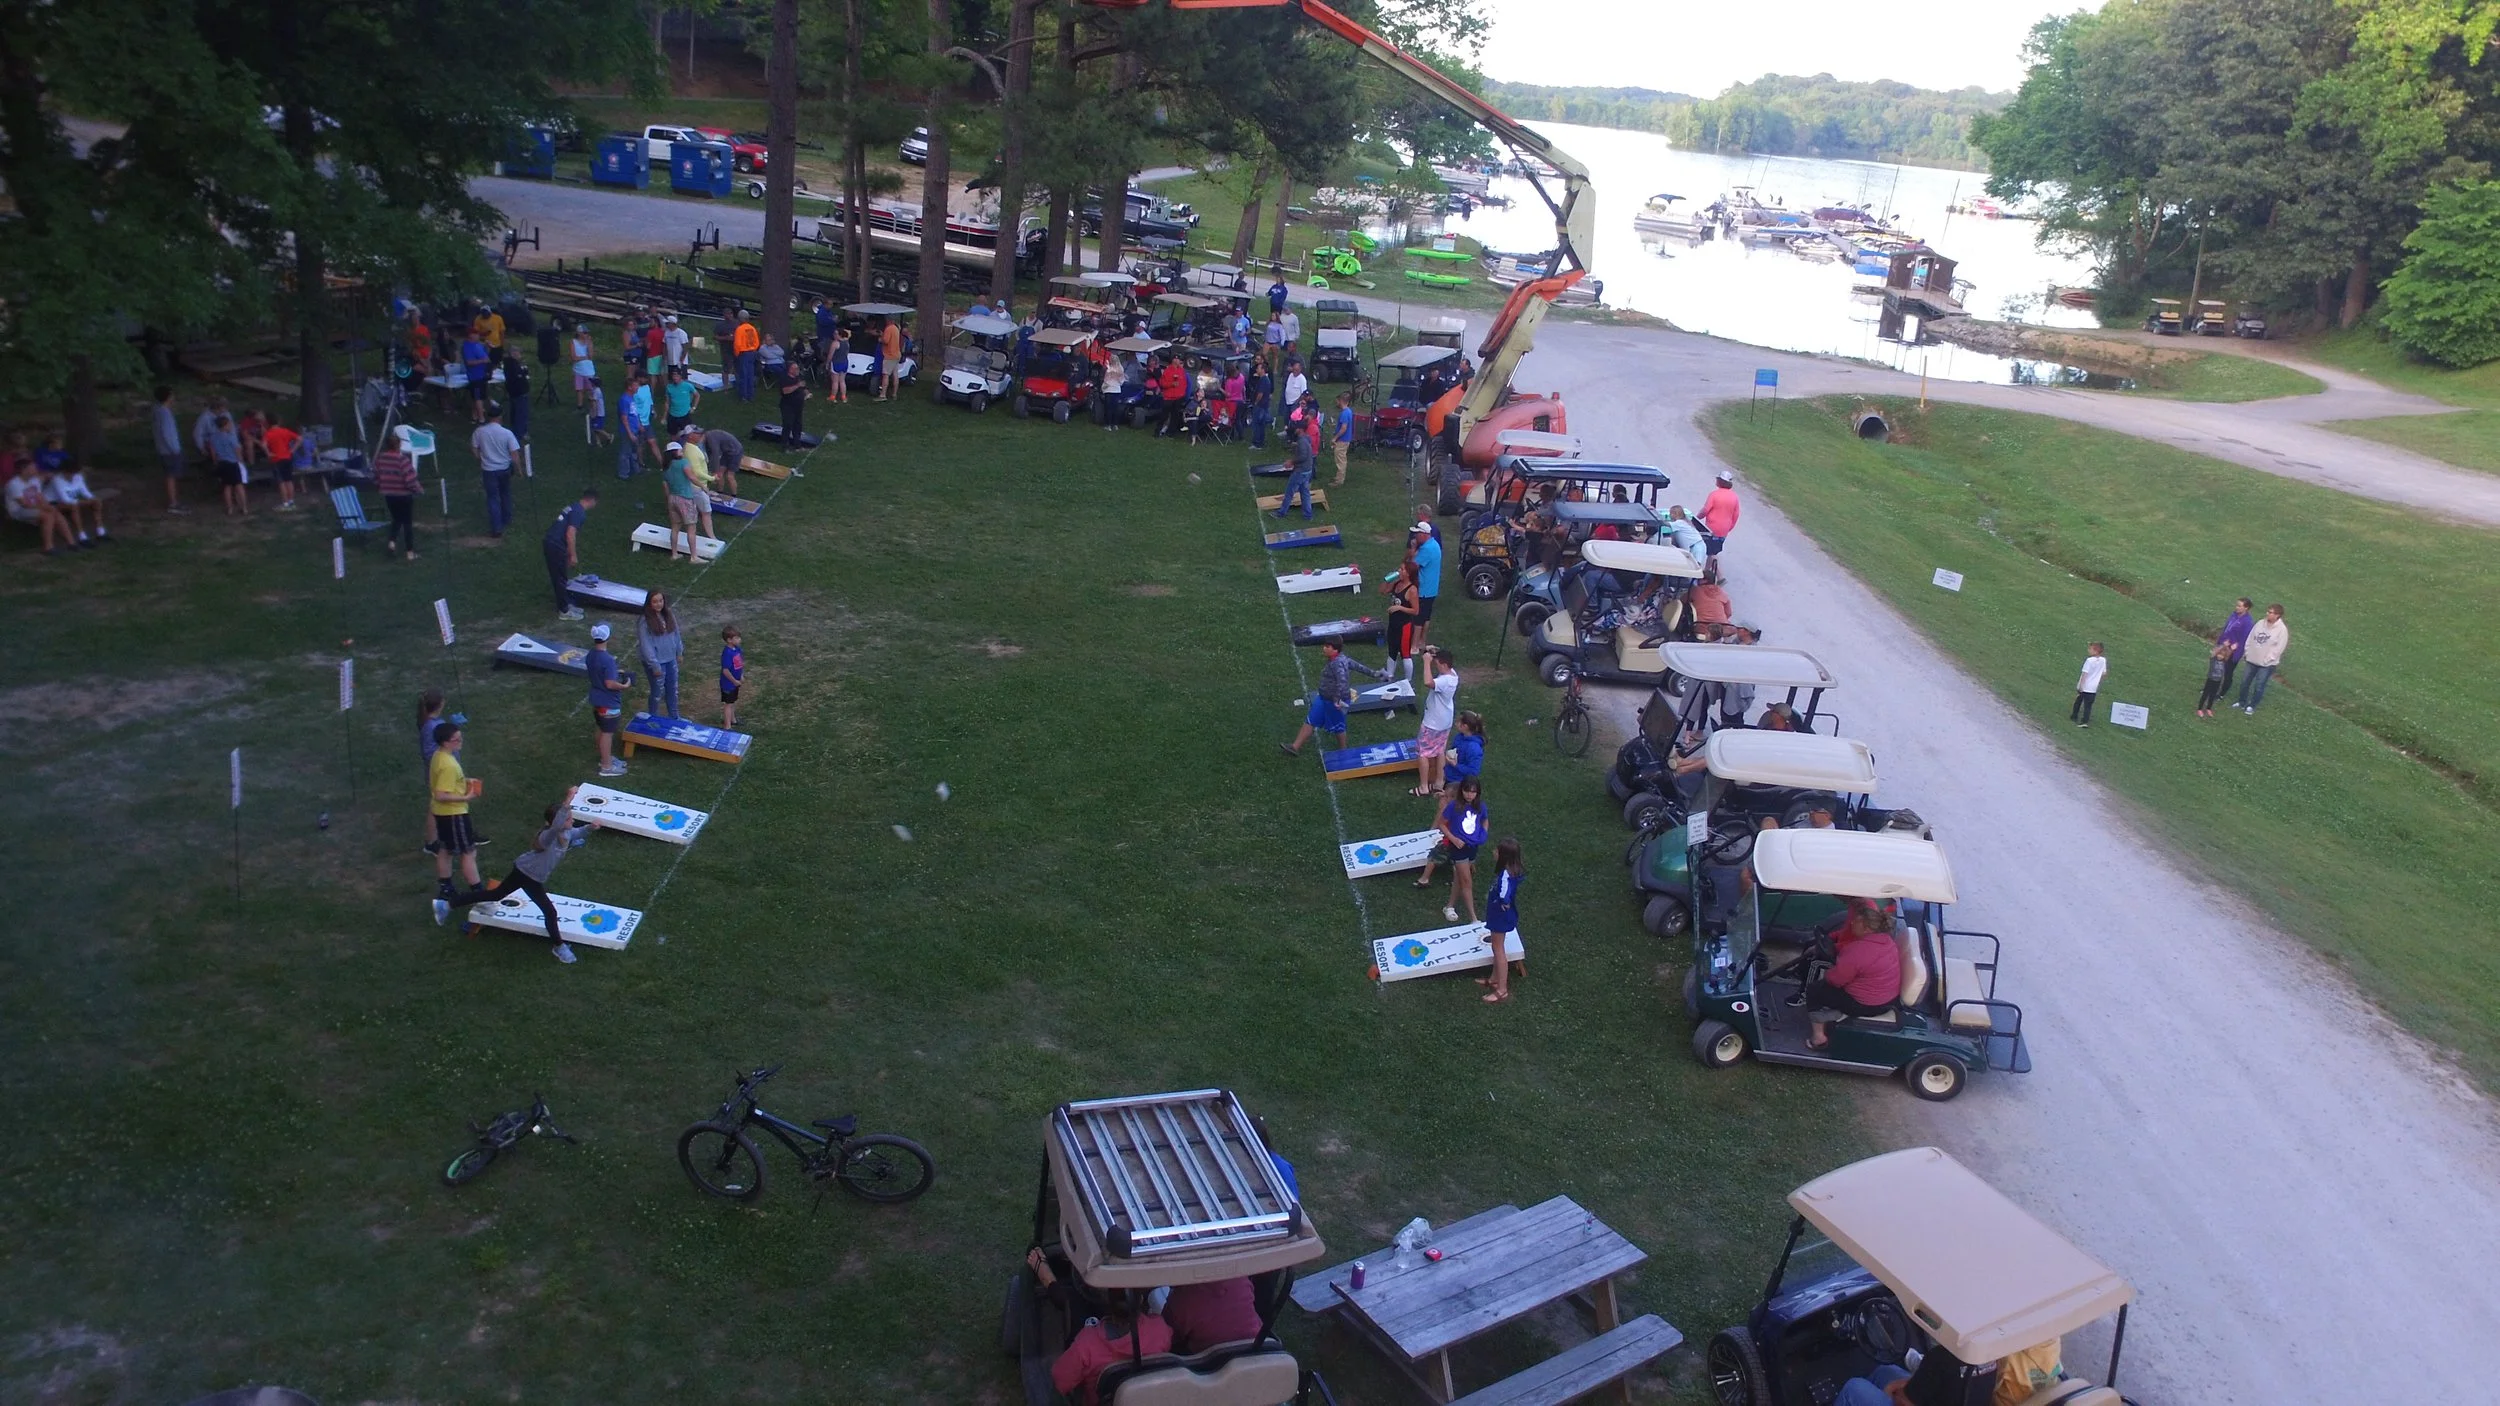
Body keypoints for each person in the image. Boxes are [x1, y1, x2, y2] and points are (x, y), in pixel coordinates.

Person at [435, 785, 595, 964]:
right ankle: (559, 947)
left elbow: (578, 832)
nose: (571, 821)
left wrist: (590, 828)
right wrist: (569, 798)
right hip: (526, 874)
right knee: (549, 911)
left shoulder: (566, 833)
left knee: (495, 894)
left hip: (530, 874)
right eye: (569, 819)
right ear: (556, 821)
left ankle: (447, 905)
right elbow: (559, 822)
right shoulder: (548, 836)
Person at [1024, 1250, 1173, 1406]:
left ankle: (1047, 1277)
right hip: (1144, 1397)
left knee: (1071, 1306)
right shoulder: (1160, 1329)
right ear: (1141, 1299)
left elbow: (1060, 1379)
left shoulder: (1086, 1346)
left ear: (1107, 1301)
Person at [1807, 898, 1901, 1049]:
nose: (1851, 923)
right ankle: (1833, 1014)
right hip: (1888, 999)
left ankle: (1819, 1037)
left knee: (1815, 990)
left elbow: (1835, 980)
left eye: (1856, 922)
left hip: (1866, 1005)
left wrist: (1830, 972)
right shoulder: (1887, 941)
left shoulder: (1857, 950)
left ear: (1867, 929)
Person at [1282, 638, 1387, 757]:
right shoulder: (1341, 658)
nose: (1324, 648)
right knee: (1311, 720)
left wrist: (1337, 700)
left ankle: (1343, 751)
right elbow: (1357, 666)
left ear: (1335, 649)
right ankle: (1295, 747)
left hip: (1335, 701)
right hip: (1323, 698)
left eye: (1328, 647)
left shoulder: (1337, 664)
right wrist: (1374, 673)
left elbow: (1342, 682)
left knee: (1339, 727)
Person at [1413, 775, 1487, 923]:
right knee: (1466, 881)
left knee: (1459, 878)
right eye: (1467, 791)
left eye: (1473, 792)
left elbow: (1484, 820)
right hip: (1458, 848)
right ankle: (1473, 918)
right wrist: (1454, 839)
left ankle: (1450, 906)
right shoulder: (1454, 806)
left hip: (1472, 847)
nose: (1470, 795)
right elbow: (1442, 824)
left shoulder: (1480, 806)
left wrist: (1483, 834)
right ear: (1462, 791)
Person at [427, 721, 487, 903]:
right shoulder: (449, 765)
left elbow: (442, 783)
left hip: (441, 814)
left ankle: (446, 888)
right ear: (445, 742)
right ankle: (479, 894)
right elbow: (440, 794)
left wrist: (463, 780)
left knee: (445, 849)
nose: (460, 741)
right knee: (468, 853)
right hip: (453, 814)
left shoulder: (439, 756)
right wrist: (465, 797)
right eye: (456, 739)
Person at [1835, 1342, 1999, 1406]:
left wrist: (1891, 1388)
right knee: (1885, 1371)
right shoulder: (1989, 1354)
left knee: (1853, 1387)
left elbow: (1904, 1402)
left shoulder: (1940, 1357)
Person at [1162, 1277, 1263, 1354]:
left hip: (1212, 1362)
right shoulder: (1241, 1280)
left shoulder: (1183, 1298)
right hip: (1257, 1349)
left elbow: (1168, 1333)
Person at [1478, 836, 1522, 1002]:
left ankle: (1502, 989)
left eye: (1497, 850)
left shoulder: (1505, 875)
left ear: (1503, 856)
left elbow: (1505, 892)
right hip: (1499, 914)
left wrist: (1503, 902)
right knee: (1497, 947)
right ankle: (1495, 979)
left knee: (1498, 949)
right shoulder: (1511, 871)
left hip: (1500, 915)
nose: (1493, 852)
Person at [588, 622, 635, 776]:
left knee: (601, 728)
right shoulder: (607, 659)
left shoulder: (591, 655)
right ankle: (607, 767)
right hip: (608, 702)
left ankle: (604, 757)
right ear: (607, 638)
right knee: (607, 732)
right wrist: (625, 686)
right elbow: (609, 683)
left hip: (596, 698)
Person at [544, 487, 597, 620]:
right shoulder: (580, 512)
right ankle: (564, 611)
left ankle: (565, 603)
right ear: (592, 501)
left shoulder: (573, 507)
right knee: (560, 578)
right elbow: (570, 533)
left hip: (551, 541)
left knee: (561, 575)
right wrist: (573, 555)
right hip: (556, 544)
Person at [1413, 646, 1459, 797]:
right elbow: (1440, 659)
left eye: (1437, 664)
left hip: (1433, 723)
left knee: (1423, 753)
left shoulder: (1445, 681)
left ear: (1444, 664)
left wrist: (1426, 662)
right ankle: (1439, 782)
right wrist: (1432, 653)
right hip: (1445, 721)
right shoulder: (1453, 674)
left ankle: (1424, 787)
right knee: (1439, 750)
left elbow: (1428, 682)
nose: (1435, 665)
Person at [6, 454, 76, 553]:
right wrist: (45, 508)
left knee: (55, 512)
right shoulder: (14, 484)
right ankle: (48, 547)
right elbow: (24, 504)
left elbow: (40, 497)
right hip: (18, 511)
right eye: (33, 467)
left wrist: (48, 506)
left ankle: (71, 543)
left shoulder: (34, 480)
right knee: (47, 516)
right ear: (24, 469)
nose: (36, 469)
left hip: (35, 507)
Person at [469, 404, 520, 538]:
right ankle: (507, 518)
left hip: (488, 470)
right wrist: (519, 469)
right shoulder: (507, 433)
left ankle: (496, 527)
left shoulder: (479, 432)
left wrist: (480, 459)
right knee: (505, 494)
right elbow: (514, 453)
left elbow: (474, 448)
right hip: (504, 468)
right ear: (500, 417)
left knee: (492, 498)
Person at [638, 590, 685, 719]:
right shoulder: (644, 621)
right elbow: (646, 645)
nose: (658, 604)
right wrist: (655, 665)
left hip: (670, 659)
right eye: (655, 601)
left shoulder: (669, 615)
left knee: (672, 689)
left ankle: (674, 716)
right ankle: (653, 717)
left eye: (660, 601)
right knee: (657, 692)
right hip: (657, 662)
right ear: (649, 603)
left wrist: (679, 651)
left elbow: (676, 634)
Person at [2237, 604, 2289, 713]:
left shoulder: (2282, 630)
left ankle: (2252, 706)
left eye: (2270, 612)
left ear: (2277, 615)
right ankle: (2241, 702)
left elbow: (2279, 648)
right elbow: (2250, 638)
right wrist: (2247, 652)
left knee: (2259, 685)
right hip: (2252, 659)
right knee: (2245, 682)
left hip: (2266, 664)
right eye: (2268, 611)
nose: (2267, 614)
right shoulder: (2260, 623)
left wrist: (2267, 660)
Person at [662, 441, 707, 561]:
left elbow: (665, 487)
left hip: (672, 498)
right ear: (674, 452)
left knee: (675, 527)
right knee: (691, 527)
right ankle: (694, 557)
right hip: (685, 498)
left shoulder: (666, 467)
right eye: (680, 450)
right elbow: (691, 477)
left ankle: (674, 554)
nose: (682, 452)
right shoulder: (683, 463)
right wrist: (703, 486)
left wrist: (668, 502)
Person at [152, 385, 190, 514]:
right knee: (171, 476)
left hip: (163, 449)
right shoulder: (164, 413)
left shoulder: (158, 410)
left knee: (171, 475)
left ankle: (174, 501)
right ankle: (173, 503)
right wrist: (175, 449)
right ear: (167, 397)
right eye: (172, 395)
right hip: (169, 451)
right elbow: (167, 433)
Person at [1383, 554, 1421, 680]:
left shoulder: (1412, 590)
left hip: (1404, 626)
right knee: (1392, 652)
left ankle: (1408, 681)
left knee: (1405, 653)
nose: (1399, 571)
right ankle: (1389, 677)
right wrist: (1388, 581)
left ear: (1408, 574)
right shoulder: (1397, 584)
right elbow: (1382, 591)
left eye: (1402, 569)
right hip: (1393, 624)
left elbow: (1415, 611)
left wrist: (1399, 608)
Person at [1273, 411, 1317, 519]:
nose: (1295, 429)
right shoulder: (1306, 438)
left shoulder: (1302, 441)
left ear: (1300, 430)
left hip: (1300, 471)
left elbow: (1302, 456)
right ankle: (1308, 515)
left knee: (1289, 492)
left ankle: (1281, 513)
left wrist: (1291, 462)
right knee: (1305, 493)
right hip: (1308, 470)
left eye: (1296, 428)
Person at [1410, 520, 1443, 654]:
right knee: (1426, 617)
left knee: (1418, 619)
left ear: (1423, 534)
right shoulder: (1434, 544)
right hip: (1432, 588)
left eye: (1417, 534)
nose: (1415, 537)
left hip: (1423, 589)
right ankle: (1422, 641)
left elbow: (1412, 566)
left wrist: (1413, 549)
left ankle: (1414, 646)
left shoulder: (1426, 549)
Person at [207, 412, 248, 516]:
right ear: (225, 425)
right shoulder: (230, 437)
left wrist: (215, 461)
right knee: (239, 486)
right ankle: (243, 507)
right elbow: (237, 449)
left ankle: (229, 508)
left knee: (227, 486)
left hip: (222, 463)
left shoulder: (213, 437)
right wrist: (241, 460)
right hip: (233, 463)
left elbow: (213, 451)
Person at [2214, 597, 2255, 696]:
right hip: (2223, 645)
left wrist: (2236, 648)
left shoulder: (2247, 622)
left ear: (2246, 608)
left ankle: (2221, 694)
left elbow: (2245, 638)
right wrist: (2221, 642)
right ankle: (2212, 689)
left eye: (2239, 606)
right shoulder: (2234, 615)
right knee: (2216, 669)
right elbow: (2226, 628)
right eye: (2237, 605)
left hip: (2233, 651)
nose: (2236, 607)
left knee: (2227, 672)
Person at [1700, 471, 1741, 555]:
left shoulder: (1714, 495)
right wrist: (1730, 527)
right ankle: (1709, 567)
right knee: (1714, 551)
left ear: (1720, 481)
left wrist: (1697, 518)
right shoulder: (1734, 497)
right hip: (1724, 529)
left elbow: (1705, 510)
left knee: (1707, 549)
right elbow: (1736, 514)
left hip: (1711, 528)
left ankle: (1709, 566)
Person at [702, 425, 745, 499]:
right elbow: (710, 453)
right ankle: (720, 493)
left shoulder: (711, 439)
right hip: (726, 451)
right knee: (720, 473)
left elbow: (715, 455)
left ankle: (734, 496)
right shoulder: (706, 439)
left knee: (729, 476)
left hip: (736, 451)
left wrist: (714, 471)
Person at [1445, 711, 1484, 792]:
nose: (1455, 723)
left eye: (1458, 722)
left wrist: (1456, 765)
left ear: (1465, 726)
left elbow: (1473, 771)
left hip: (1459, 782)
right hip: (1450, 775)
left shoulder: (1473, 748)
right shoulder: (1460, 736)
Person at [460, 329, 493, 423]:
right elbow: (469, 362)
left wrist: (488, 347)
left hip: (483, 374)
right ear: (471, 336)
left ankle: (474, 415)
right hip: (475, 376)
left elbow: (485, 355)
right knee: (478, 397)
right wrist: (482, 361)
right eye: (477, 334)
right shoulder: (467, 347)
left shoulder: (478, 344)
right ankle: (481, 418)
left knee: (481, 396)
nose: (479, 336)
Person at [776, 357, 809, 445]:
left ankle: (797, 444)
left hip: (798, 405)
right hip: (788, 406)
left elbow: (804, 387)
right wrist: (797, 385)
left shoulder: (799, 377)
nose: (797, 370)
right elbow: (785, 391)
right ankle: (785, 445)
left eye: (797, 368)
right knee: (788, 425)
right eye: (795, 368)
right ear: (789, 370)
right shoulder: (784, 379)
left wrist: (806, 393)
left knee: (798, 425)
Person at [2071, 642, 2106, 726]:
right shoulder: (2103, 660)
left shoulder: (2089, 661)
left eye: (2090, 649)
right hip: (2093, 688)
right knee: (2088, 705)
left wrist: (2081, 686)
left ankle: (2074, 716)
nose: (2088, 650)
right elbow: (2103, 673)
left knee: (2078, 701)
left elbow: (2085, 674)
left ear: (2095, 651)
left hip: (2085, 686)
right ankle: (2085, 721)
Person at [2195, 642, 2233, 718]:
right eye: (2219, 654)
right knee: (2205, 694)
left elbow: (2228, 654)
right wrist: (2223, 645)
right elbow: (2215, 651)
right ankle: (2199, 709)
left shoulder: (2224, 662)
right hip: (2210, 680)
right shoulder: (2213, 660)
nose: (2220, 656)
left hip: (2218, 681)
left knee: (2212, 695)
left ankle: (2209, 708)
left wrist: (2231, 649)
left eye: (2222, 655)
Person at [719, 624, 745, 727]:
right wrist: (734, 681)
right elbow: (725, 671)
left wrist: (741, 675)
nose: (740, 640)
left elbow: (739, 664)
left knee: (733, 701)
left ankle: (733, 720)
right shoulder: (727, 653)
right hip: (728, 684)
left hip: (735, 682)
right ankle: (727, 726)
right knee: (728, 704)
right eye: (737, 638)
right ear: (729, 640)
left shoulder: (737, 649)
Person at [663, 365, 699, 438]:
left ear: (680, 376)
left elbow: (697, 395)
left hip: (685, 415)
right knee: (673, 435)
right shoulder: (669, 387)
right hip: (672, 415)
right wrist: (664, 416)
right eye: (673, 375)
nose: (675, 377)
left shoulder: (688, 386)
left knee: (688, 436)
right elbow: (667, 402)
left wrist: (694, 407)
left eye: (676, 375)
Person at [733, 312, 762, 400]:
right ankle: (751, 395)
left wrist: (737, 353)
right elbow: (757, 342)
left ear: (741, 319)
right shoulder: (752, 328)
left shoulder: (740, 329)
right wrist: (753, 349)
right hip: (752, 353)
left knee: (743, 375)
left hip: (743, 353)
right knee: (750, 374)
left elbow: (737, 343)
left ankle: (743, 396)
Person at [1330, 392, 1356, 486]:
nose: (1336, 402)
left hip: (1342, 440)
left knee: (1340, 460)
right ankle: (1339, 477)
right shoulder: (1349, 411)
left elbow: (1344, 428)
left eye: (1337, 400)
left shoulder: (1345, 413)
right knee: (1341, 458)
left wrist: (1335, 438)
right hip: (1346, 439)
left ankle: (1339, 481)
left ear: (1341, 401)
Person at [877, 318, 904, 401]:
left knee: (886, 375)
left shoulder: (888, 328)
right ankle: (894, 394)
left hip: (889, 355)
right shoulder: (896, 328)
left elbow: (886, 341)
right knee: (895, 375)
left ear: (888, 320)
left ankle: (883, 395)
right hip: (897, 354)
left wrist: (880, 338)